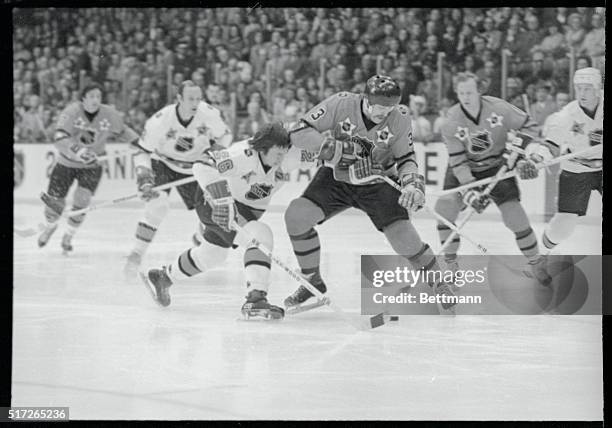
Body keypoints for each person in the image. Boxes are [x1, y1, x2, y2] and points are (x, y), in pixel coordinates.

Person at [282, 75, 457, 314]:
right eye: (380, 107)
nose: (385, 113)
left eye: (390, 108)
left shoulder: (401, 117)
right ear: (365, 98)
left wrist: (411, 185)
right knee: (296, 216)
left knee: (406, 241)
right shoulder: (341, 103)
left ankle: (438, 282)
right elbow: (299, 131)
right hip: (337, 177)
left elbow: (405, 158)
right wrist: (337, 150)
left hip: (378, 180)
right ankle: (312, 279)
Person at [141, 122, 319, 319]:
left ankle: (163, 277)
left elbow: (322, 155)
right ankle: (255, 300)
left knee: (213, 254)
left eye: (285, 151)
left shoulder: (289, 154)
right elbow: (203, 164)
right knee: (260, 235)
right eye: (278, 152)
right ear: (262, 148)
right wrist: (222, 200)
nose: (282, 157)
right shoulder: (242, 154)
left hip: (244, 210)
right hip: (215, 204)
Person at [434, 72, 550, 285]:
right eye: (461, 93)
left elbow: (530, 126)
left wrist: (518, 149)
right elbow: (458, 162)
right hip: (465, 168)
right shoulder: (451, 121)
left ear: (479, 90)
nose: (465, 97)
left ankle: (535, 262)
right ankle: (450, 263)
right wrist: (470, 192)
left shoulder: (499, 108)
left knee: (514, 214)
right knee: (445, 208)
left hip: (497, 165)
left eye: (469, 92)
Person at [124, 80, 233, 277]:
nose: (195, 103)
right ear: (179, 99)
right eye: (191, 98)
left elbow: (225, 136)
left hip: (195, 166)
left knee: (209, 211)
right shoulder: (161, 120)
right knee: (158, 206)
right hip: (163, 163)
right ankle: (136, 253)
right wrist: (144, 177)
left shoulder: (209, 114)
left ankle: (200, 237)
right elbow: (142, 151)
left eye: (198, 98)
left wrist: (214, 152)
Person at [38, 83, 139, 253]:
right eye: (91, 96)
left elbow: (123, 131)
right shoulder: (71, 112)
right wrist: (79, 151)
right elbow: (59, 136)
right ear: (83, 99)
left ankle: (69, 235)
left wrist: (140, 143)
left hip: (92, 166)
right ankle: (50, 227)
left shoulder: (109, 114)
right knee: (54, 204)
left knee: (82, 201)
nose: (96, 100)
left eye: (98, 96)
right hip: (66, 163)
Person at [531, 68, 603, 254]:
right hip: (576, 168)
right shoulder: (566, 115)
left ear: (598, 88)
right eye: (578, 88)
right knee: (564, 226)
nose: (582, 93)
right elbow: (551, 144)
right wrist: (537, 159)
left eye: (587, 88)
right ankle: (542, 254)